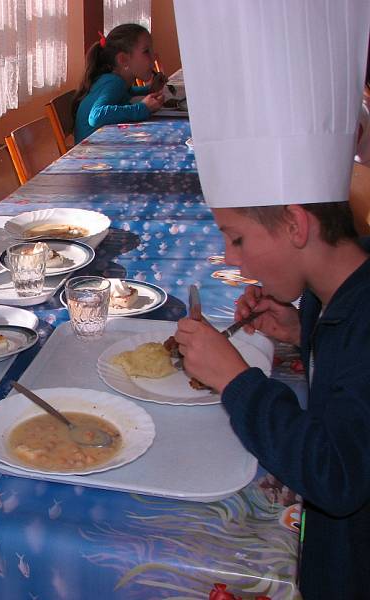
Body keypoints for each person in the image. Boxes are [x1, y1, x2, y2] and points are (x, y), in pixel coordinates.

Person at [173, 1, 369, 597]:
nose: (231, 259)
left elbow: (336, 476)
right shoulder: (336, 296)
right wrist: (297, 330)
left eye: (236, 238)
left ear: (294, 224)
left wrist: (237, 380)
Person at [72, 24, 165, 142]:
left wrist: (149, 89)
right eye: (146, 51)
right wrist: (143, 108)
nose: (153, 58)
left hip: (103, 146)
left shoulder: (118, 82)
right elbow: (96, 116)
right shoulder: (113, 82)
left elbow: (126, 92)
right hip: (92, 153)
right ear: (123, 60)